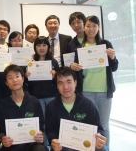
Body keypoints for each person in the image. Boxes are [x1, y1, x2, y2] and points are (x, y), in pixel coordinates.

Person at [72, 15, 118, 149]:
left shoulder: (106, 44)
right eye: (88, 26)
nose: (91, 29)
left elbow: (114, 68)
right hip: (86, 91)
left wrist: (113, 58)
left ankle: (105, 149)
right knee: (88, 124)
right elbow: (78, 73)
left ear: (98, 27)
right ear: (84, 28)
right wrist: (73, 68)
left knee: (104, 125)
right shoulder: (80, 48)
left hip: (104, 91)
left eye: (94, 26)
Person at [45, 67, 108, 151]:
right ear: (57, 86)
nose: (65, 87)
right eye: (60, 83)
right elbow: (50, 130)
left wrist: (99, 136)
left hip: (85, 145)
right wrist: (53, 140)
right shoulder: (51, 106)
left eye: (69, 82)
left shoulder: (87, 104)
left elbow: (98, 128)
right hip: (63, 146)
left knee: (103, 149)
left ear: (75, 83)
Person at [0, 65, 45, 151]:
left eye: (17, 76)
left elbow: (41, 125)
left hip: (31, 144)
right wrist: (3, 138)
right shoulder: (2, 104)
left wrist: (40, 133)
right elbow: (0, 130)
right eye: (10, 77)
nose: (14, 80)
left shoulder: (34, 101)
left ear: (23, 79)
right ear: (6, 83)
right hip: (11, 146)